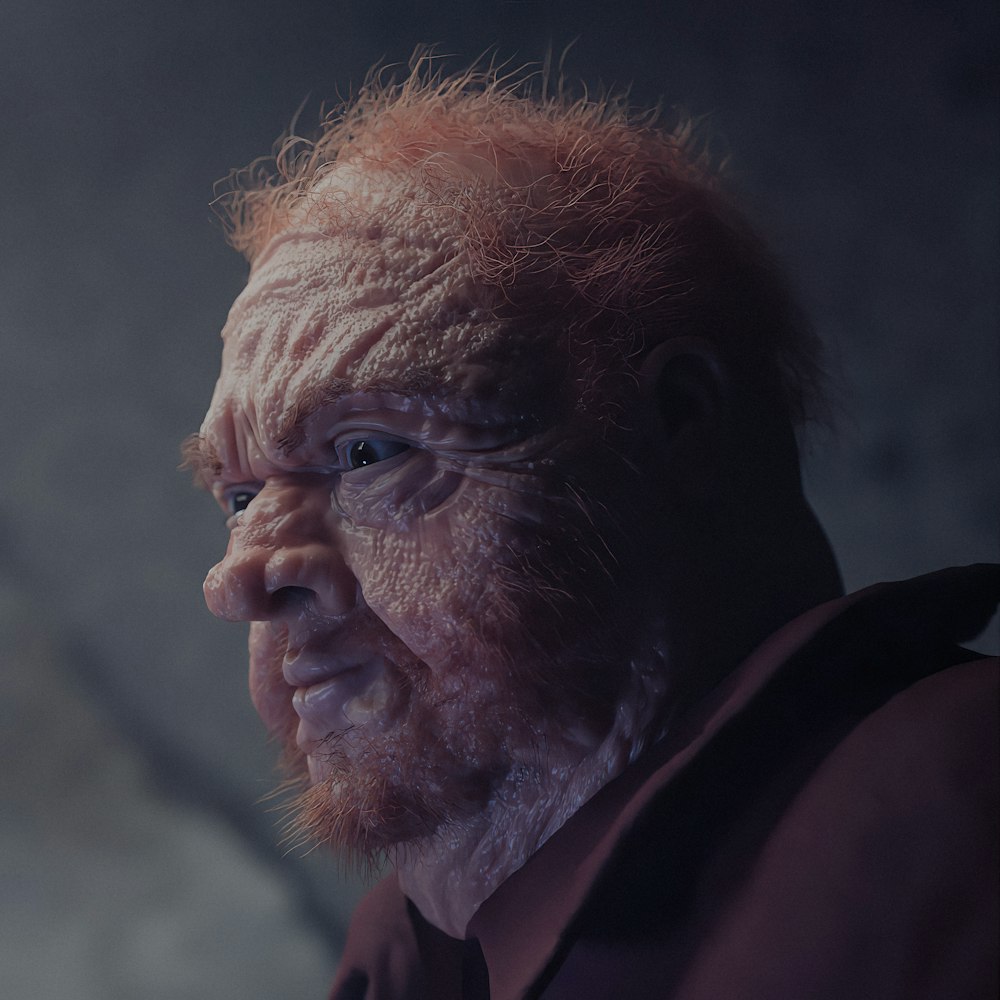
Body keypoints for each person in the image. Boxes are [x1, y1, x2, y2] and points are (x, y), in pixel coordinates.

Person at [185, 62, 998, 999]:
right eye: (239, 498)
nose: (238, 578)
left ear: (681, 422)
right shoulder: (409, 956)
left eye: (368, 453)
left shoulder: (957, 810)